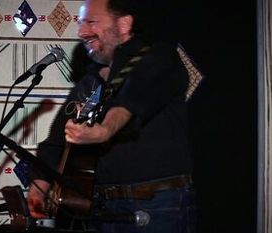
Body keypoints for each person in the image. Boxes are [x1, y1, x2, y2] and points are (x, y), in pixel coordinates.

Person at [27, 0, 197, 232]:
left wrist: (105, 130)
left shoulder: (159, 58)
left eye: (91, 22)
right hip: (101, 209)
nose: (81, 31)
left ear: (124, 24)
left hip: (156, 207)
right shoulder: (90, 80)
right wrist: (40, 181)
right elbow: (57, 138)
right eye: (81, 23)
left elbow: (131, 100)